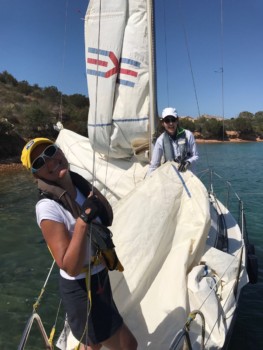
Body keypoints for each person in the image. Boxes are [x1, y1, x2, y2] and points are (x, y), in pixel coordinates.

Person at [21, 138, 137, 350]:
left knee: (94, 344)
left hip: (99, 278)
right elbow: (69, 265)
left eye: (50, 151)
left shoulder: (79, 186)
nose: (49, 161)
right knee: (126, 345)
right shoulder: (47, 207)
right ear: (36, 175)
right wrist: (83, 221)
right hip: (81, 288)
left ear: (60, 151)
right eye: (38, 163)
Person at [148, 107, 199, 175]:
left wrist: (188, 162)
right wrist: (149, 179)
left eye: (173, 120)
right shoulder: (160, 140)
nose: (171, 123)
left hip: (188, 177)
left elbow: (196, 156)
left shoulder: (188, 135)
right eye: (167, 120)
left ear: (177, 121)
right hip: (171, 178)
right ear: (163, 123)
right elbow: (154, 165)